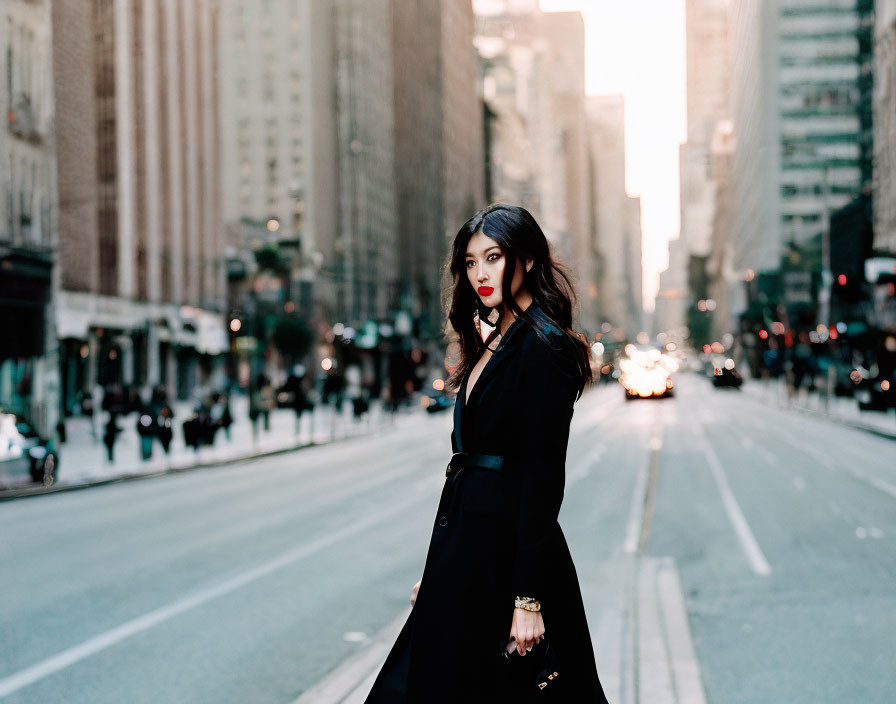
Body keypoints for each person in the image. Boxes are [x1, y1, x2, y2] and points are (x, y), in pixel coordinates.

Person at [364, 204, 609, 703]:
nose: (480, 273)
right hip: (467, 556)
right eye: (470, 262)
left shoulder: (545, 348)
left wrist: (528, 598)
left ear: (528, 260)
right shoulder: (493, 342)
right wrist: (440, 571)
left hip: (509, 565)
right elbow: (470, 466)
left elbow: (540, 481)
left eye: (493, 257)